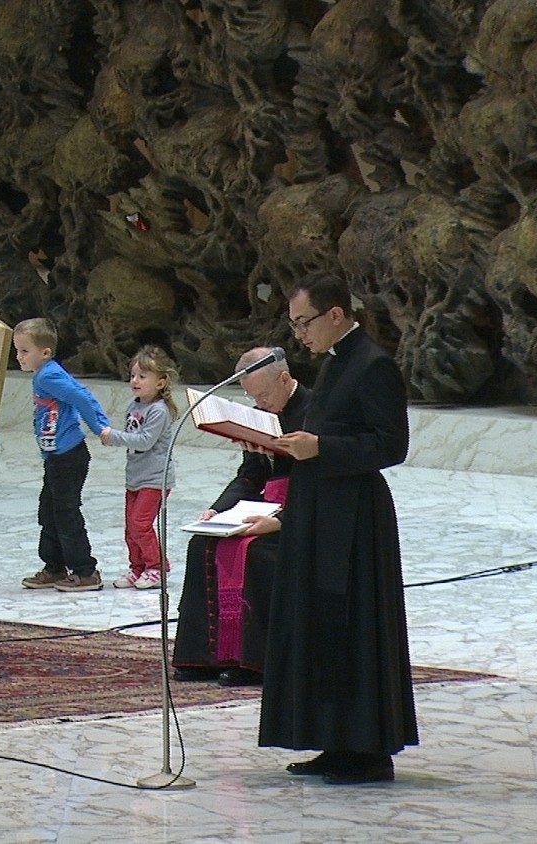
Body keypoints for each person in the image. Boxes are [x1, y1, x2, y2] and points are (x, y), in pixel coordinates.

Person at [260, 273, 416, 785]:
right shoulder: (332, 364)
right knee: (322, 625)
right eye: (293, 325)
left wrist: (322, 449)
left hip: (355, 519)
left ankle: (367, 750)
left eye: (304, 323)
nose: (299, 334)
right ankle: (333, 739)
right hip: (318, 509)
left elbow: (391, 445)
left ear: (334, 315)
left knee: (353, 626)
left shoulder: (374, 365)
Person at [172, 347, 310, 687]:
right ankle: (204, 658)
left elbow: (320, 480)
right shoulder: (259, 416)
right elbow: (250, 477)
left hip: (304, 510)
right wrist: (218, 510)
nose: (259, 405)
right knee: (202, 544)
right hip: (264, 507)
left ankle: (253, 662)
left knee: (260, 553)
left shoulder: (314, 411)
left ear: (284, 378)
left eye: (262, 396)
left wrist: (282, 521)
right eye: (253, 398)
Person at [11, 318, 112, 592]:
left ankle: (85, 571)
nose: (19, 357)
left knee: (66, 513)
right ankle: (55, 567)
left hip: (69, 457)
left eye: (24, 351)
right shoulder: (44, 374)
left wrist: (100, 426)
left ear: (45, 353)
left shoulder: (48, 375)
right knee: (49, 511)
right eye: (17, 350)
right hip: (57, 457)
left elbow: (82, 397)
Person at [99, 345, 179, 589]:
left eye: (142, 376)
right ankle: (138, 567)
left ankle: (157, 566)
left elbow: (145, 441)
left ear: (161, 382)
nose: (135, 380)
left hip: (155, 479)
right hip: (135, 477)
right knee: (130, 528)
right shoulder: (134, 406)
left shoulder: (159, 411)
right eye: (133, 375)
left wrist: (114, 437)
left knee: (141, 525)